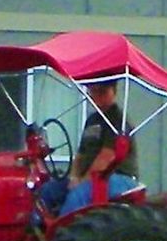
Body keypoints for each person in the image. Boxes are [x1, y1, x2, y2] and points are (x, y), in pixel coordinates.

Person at [44, 77, 139, 216]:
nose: (97, 96)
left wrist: (81, 182)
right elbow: (81, 155)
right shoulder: (92, 120)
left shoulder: (118, 119)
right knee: (48, 191)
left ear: (114, 91)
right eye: (93, 92)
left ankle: (64, 234)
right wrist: (74, 177)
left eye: (102, 92)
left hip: (118, 177)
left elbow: (106, 158)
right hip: (91, 177)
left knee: (78, 197)